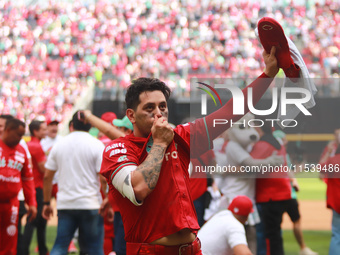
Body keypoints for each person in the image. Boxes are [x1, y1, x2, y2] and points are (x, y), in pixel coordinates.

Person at [99, 46, 279, 254]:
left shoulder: (181, 136)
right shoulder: (118, 149)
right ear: (131, 115)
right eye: (149, 108)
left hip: (193, 249)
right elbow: (139, 188)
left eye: (162, 106)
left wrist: (268, 75)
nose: (159, 113)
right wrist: (159, 144)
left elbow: (230, 112)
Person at [42, 111, 110, 255]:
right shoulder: (96, 144)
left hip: (66, 204)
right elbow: (104, 178)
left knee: (60, 246)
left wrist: (46, 203)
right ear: (90, 126)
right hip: (90, 203)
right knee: (93, 249)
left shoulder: (59, 145)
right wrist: (107, 200)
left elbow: (47, 177)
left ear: (71, 125)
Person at [273, 130, 318, 255]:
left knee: (282, 224)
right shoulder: (279, 153)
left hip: (281, 194)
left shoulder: (280, 153)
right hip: (285, 194)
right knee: (286, 223)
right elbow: (287, 172)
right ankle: (300, 248)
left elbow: (288, 171)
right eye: (284, 139)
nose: (286, 141)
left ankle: (300, 248)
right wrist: (295, 178)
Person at [0, 118, 37, 255]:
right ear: (8, 130)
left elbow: (27, 179)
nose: (21, 138)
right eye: (18, 134)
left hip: (12, 205)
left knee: (10, 243)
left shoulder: (21, 151)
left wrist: (31, 202)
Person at [22, 120, 48, 255]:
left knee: (38, 221)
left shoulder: (29, 144)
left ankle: (40, 249)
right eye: (43, 129)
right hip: (38, 187)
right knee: (35, 220)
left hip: (34, 186)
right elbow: (44, 168)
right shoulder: (37, 146)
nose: (46, 131)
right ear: (36, 131)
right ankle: (27, 250)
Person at [319, 131, 340, 255]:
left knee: (336, 235)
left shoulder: (333, 160)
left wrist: (328, 152)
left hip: (336, 201)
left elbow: (321, 169)